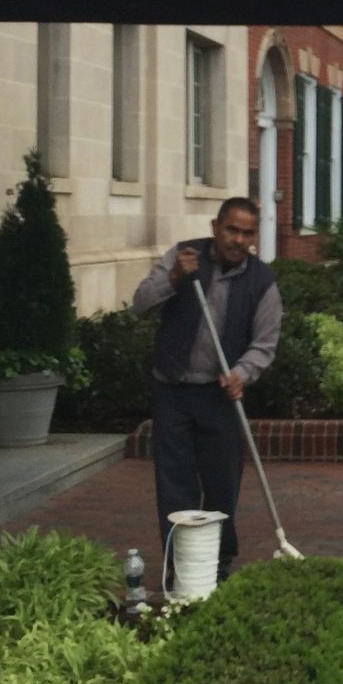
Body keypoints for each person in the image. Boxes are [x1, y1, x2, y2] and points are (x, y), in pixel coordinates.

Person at [131, 197, 280, 584]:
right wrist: (175, 278)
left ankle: (218, 562)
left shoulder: (262, 280)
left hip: (219, 397)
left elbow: (264, 344)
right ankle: (179, 563)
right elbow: (140, 304)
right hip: (173, 389)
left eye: (248, 232)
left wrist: (242, 372)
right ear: (216, 227)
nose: (238, 239)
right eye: (232, 229)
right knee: (174, 482)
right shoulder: (184, 257)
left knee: (222, 482)